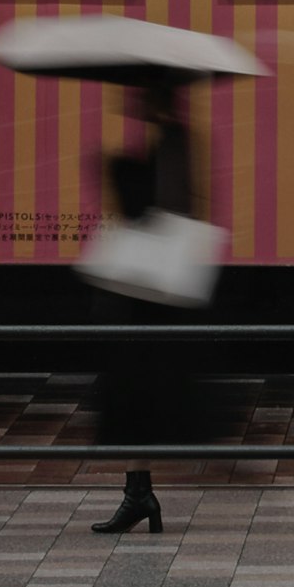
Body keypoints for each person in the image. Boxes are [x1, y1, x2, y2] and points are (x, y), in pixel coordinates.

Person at [87, 79, 203, 536]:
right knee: (135, 390)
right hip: (152, 286)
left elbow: (162, 212)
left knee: (137, 388)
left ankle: (139, 493)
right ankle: (138, 492)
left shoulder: (173, 141)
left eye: (140, 93)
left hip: (151, 287)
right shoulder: (171, 140)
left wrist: (119, 172)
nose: (132, 100)